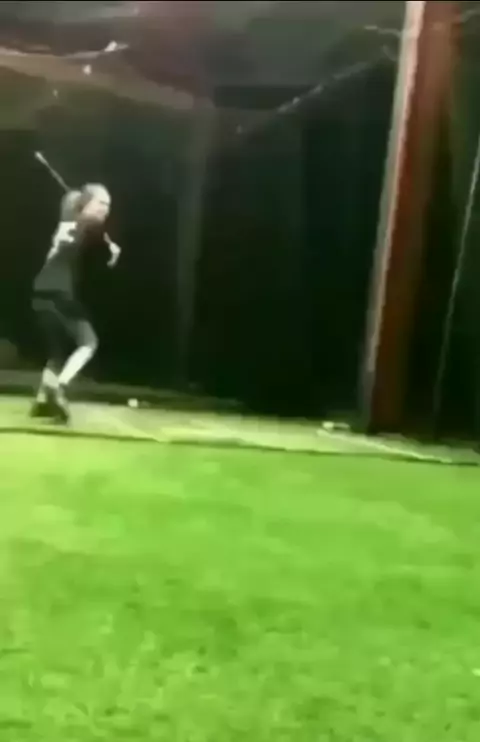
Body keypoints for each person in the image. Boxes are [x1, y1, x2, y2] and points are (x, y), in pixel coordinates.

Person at [31, 183, 121, 423]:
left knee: (57, 352)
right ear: (86, 203)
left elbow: (70, 201)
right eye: (101, 203)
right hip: (59, 292)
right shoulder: (87, 222)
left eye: (108, 205)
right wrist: (112, 248)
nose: (105, 209)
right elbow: (95, 226)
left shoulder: (68, 215)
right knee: (88, 342)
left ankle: (42, 401)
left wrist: (80, 198)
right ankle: (59, 387)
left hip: (40, 292)